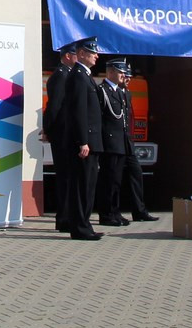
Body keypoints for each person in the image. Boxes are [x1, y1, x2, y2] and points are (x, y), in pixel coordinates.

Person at [95, 58, 159, 226]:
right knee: (111, 179)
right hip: (112, 141)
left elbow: (126, 119)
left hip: (125, 141)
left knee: (133, 173)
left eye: (126, 73)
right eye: (121, 72)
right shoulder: (102, 91)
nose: (125, 76)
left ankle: (136, 210)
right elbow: (99, 118)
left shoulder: (122, 92)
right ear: (110, 72)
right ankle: (109, 213)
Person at [56, 37, 104, 240]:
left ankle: (85, 225)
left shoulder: (85, 75)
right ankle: (80, 228)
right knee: (81, 187)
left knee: (88, 186)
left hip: (92, 141)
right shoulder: (77, 76)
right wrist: (83, 141)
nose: (96, 56)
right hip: (84, 143)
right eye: (92, 52)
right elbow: (78, 112)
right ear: (82, 53)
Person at [42, 43, 77, 232]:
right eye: (76, 54)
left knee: (69, 176)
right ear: (67, 56)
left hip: (67, 132)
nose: (78, 57)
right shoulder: (60, 76)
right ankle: (63, 219)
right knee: (65, 177)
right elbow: (54, 106)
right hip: (62, 133)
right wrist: (48, 129)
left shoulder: (68, 75)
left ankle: (67, 217)